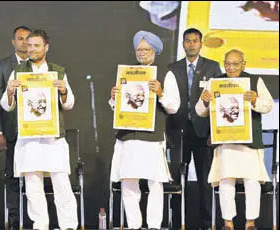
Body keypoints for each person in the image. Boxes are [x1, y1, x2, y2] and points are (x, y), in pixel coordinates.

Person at [0, 29, 78, 230]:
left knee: (61, 183)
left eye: (36, 45)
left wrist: (63, 91)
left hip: (53, 138)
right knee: (33, 186)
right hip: (29, 138)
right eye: (29, 45)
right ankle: (40, 225)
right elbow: (7, 105)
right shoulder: (18, 72)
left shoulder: (57, 71)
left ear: (46, 47)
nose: (31, 49)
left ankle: (68, 225)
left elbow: (69, 103)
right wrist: (10, 91)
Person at [109, 30, 180, 230]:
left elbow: (173, 106)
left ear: (155, 51)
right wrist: (114, 96)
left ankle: (154, 225)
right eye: (139, 49)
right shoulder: (126, 74)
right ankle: (133, 225)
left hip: (152, 137)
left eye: (146, 49)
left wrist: (160, 92)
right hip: (128, 136)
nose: (142, 53)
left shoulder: (166, 74)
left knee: (155, 182)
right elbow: (115, 107)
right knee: (128, 182)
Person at [196, 49, 273, 230]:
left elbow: (268, 105)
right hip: (226, 142)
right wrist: (205, 101)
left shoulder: (254, 81)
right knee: (225, 181)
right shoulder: (215, 83)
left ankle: (250, 223)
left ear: (243, 64)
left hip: (249, 143)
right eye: (227, 64)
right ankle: (228, 223)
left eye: (235, 64)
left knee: (252, 181)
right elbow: (200, 111)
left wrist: (255, 101)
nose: (230, 68)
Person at [165, 28, 222, 229]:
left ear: (201, 43)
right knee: (176, 179)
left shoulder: (213, 67)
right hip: (177, 131)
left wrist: (214, 133)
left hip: (203, 132)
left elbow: (219, 103)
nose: (191, 44)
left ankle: (207, 224)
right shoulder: (172, 68)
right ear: (183, 43)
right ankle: (177, 222)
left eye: (195, 41)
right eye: (188, 41)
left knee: (206, 180)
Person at [0, 25, 31, 230]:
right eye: (20, 38)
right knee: (13, 179)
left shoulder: (40, 66)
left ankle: (33, 221)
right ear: (13, 42)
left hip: (35, 133)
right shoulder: (3, 66)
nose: (24, 42)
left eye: (27, 39)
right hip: (12, 131)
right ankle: (15, 222)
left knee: (33, 178)